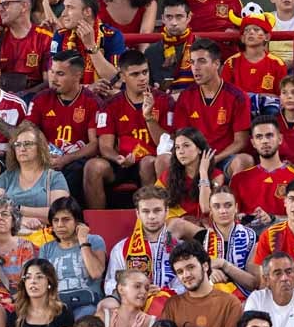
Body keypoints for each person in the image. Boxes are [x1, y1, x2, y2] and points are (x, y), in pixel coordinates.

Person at [85, 51, 168, 208]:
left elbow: (166, 143)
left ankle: (149, 218)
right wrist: (118, 158)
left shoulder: (164, 101)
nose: (142, 78)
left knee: (147, 163)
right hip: (121, 162)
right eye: (135, 74)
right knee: (93, 166)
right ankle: (97, 225)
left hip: (151, 161)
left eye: (145, 72)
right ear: (122, 77)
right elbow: (105, 146)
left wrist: (149, 117)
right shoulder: (110, 105)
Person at [172, 38, 252, 175]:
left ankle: (231, 197)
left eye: (202, 61)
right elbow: (181, 137)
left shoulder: (237, 96)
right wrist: (196, 159)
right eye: (192, 62)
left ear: (216, 64)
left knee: (244, 160)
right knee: (164, 160)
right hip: (194, 158)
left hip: (224, 158)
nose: (195, 67)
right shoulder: (186, 97)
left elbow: (241, 141)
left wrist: (213, 159)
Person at [25, 51, 101, 195]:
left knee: (76, 169)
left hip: (74, 160)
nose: (53, 78)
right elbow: (29, 130)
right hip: (45, 158)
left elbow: (94, 145)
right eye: (52, 72)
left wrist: (66, 159)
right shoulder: (40, 99)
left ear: (77, 76)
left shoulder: (92, 103)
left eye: (60, 74)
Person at [161, 241, 243, 327]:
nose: (186, 275)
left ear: (205, 266)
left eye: (191, 267)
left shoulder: (230, 303)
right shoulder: (172, 305)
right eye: (180, 272)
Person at [229, 116, 294, 229]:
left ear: (280, 139)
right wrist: (239, 217)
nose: (264, 141)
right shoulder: (239, 179)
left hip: (282, 238)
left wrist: (273, 219)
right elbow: (230, 216)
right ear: (253, 143)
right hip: (248, 238)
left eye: (269, 135)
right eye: (259, 137)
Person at [104, 186, 180, 295]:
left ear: (167, 212)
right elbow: (110, 284)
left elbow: (185, 285)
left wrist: (163, 292)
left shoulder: (179, 247)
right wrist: (135, 289)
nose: (152, 216)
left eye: (157, 210)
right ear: (138, 213)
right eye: (145, 211)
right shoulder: (121, 248)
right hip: (134, 308)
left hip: (170, 305)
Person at [0, 122, 69, 231]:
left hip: (45, 238)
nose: (22, 148)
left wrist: (19, 209)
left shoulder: (55, 178)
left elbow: (60, 214)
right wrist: (22, 220)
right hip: (11, 236)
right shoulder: (5, 177)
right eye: (17, 145)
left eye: (27, 144)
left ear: (40, 147)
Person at [39, 197, 106, 319]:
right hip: (57, 305)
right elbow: (43, 282)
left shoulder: (95, 240)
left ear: (77, 222)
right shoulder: (46, 248)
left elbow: (96, 273)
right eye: (55, 220)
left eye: (66, 220)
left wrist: (83, 241)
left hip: (87, 304)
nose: (60, 225)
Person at [0, 0, 53, 94]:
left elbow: (49, 81)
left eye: (5, 4)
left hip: (32, 99)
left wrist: (21, 96)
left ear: (23, 6)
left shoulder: (45, 38)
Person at [50, 0, 125, 84]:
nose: (63, 14)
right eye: (64, 7)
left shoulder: (112, 36)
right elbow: (53, 82)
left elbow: (116, 81)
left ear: (87, 12)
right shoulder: (60, 35)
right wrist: (87, 89)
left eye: (70, 8)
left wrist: (91, 46)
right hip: (71, 96)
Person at [7, 258, 73, 327]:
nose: (33, 281)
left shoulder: (62, 312)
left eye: (39, 277)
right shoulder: (15, 313)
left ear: (49, 282)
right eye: (28, 277)